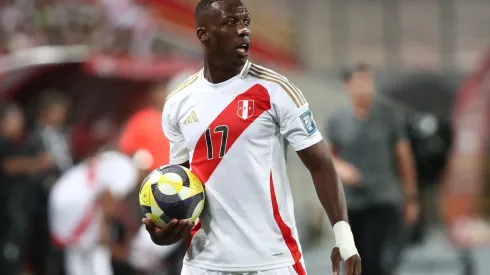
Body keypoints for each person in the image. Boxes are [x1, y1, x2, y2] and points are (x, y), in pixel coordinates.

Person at [142, 1, 361, 275]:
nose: (243, 30)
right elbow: (182, 182)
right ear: (203, 35)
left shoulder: (276, 90)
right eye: (231, 23)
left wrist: (344, 236)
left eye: (245, 22)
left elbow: (320, 164)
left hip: (272, 261)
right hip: (203, 263)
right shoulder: (178, 102)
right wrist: (164, 230)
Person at [326, 64, 418, 275]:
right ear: (348, 85)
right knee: (353, 260)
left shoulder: (388, 116)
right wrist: (341, 168)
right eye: (360, 81)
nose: (366, 87)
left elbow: (404, 157)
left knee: (380, 262)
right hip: (351, 204)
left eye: (369, 81)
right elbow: (326, 157)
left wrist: (411, 198)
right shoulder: (338, 121)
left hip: (384, 199)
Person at [48, 142, 142, 275]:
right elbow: (106, 200)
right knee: (98, 250)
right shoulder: (129, 170)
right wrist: (105, 230)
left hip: (62, 193)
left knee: (78, 250)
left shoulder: (113, 158)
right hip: (77, 202)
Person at [0, 102, 52, 275]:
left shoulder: (17, 143)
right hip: (6, 213)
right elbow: (9, 165)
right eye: (15, 118)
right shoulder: (3, 142)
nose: (20, 122)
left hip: (14, 210)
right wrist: (38, 163)